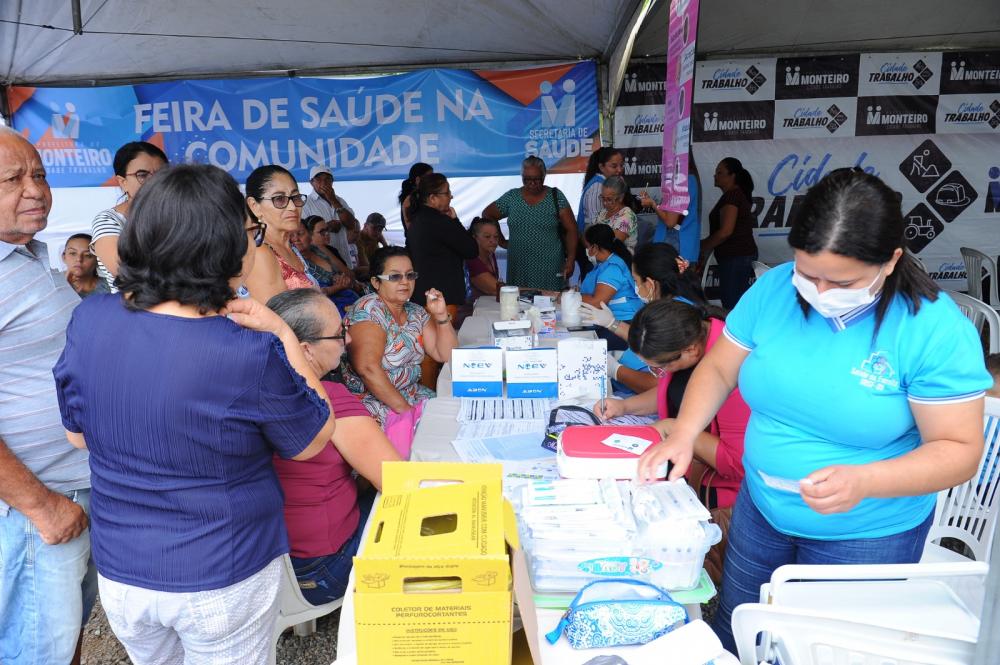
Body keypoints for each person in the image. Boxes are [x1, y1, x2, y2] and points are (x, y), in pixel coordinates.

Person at [636, 169, 993, 653]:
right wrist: (683, 433)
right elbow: (719, 369)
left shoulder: (932, 330)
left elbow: (958, 450)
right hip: (761, 511)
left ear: (890, 261)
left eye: (840, 281)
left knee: (827, 651)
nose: (820, 293)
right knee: (743, 636)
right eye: (808, 273)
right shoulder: (776, 289)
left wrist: (865, 481)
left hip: (866, 533)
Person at [53, 164, 338, 664]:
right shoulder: (246, 349)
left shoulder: (90, 318)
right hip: (222, 570)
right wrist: (284, 334)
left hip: (123, 570)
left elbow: (78, 438)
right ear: (226, 244)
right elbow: (313, 438)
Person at [0, 127, 94, 665]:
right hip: (35, 507)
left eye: (39, 174)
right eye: (13, 179)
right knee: (37, 651)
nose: (34, 189)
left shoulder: (36, 258)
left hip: (74, 491)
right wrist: (40, 507)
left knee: (64, 639)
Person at [596, 299, 750, 583]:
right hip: (685, 477)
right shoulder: (689, 344)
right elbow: (674, 392)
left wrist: (675, 430)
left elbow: (736, 463)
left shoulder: (736, 370)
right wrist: (625, 407)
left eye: (657, 368)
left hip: (720, 502)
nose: (658, 375)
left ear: (690, 350)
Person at [267, 288, 401, 604]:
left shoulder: (251, 389)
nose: (349, 340)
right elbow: (397, 482)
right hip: (320, 571)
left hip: (268, 566)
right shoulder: (327, 399)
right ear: (304, 350)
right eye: (339, 334)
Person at [342, 246, 459, 425]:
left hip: (412, 393)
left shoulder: (415, 312)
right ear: (375, 282)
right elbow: (367, 369)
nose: (405, 282)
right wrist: (407, 413)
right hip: (373, 403)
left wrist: (441, 316)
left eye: (410, 275)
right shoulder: (368, 311)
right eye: (395, 276)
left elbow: (446, 355)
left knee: (455, 417)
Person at [588, 243, 703, 396]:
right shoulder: (674, 304)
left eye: (635, 282)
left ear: (649, 284)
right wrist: (612, 323)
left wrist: (615, 370)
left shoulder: (674, 317)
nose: (635, 288)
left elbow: (657, 387)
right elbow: (648, 337)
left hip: (645, 399)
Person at [482, 156, 576, 291]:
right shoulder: (512, 197)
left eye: (536, 179)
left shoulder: (556, 196)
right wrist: (501, 241)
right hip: (519, 266)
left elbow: (571, 229)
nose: (532, 183)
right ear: (522, 176)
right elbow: (488, 214)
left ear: (544, 176)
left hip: (550, 267)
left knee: (551, 303)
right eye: (527, 179)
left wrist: (571, 260)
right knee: (519, 303)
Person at [90, 141, 168, 292]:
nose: (153, 182)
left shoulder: (179, 215)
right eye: (142, 175)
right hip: (133, 310)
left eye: (161, 175)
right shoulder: (109, 220)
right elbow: (126, 272)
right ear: (123, 182)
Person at [244, 164, 318, 302]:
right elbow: (271, 321)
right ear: (254, 206)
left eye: (295, 197)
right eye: (279, 199)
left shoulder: (290, 248)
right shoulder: (260, 253)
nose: (292, 207)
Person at [407, 173, 477, 309]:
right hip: (442, 298)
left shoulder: (416, 221)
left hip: (422, 294)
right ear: (432, 198)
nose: (451, 196)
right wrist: (455, 220)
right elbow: (472, 250)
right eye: (447, 193)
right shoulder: (440, 222)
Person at [702, 157, 758, 310]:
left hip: (736, 256)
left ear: (732, 176)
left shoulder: (733, 196)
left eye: (720, 172)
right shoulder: (733, 195)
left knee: (732, 305)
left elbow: (725, 232)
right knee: (735, 303)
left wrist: (703, 246)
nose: (715, 176)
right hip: (736, 256)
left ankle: (735, 334)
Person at [579, 223, 642, 351]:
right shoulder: (604, 264)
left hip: (623, 323)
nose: (586, 251)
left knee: (586, 347)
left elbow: (597, 303)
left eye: (587, 247)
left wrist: (572, 297)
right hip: (610, 320)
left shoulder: (612, 268)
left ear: (595, 247)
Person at [290, 219, 359, 314]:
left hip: (349, 297)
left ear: (310, 235)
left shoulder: (319, 249)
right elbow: (308, 296)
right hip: (326, 309)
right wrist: (337, 287)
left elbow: (348, 274)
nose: (295, 239)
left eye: (300, 233)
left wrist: (343, 279)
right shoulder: (292, 261)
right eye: (290, 235)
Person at [639, 159, 702, 263]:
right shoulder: (691, 179)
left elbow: (670, 222)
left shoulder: (680, 182)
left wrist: (653, 205)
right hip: (684, 245)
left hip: (674, 246)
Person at [577, 148, 624, 278]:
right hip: (596, 254)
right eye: (614, 166)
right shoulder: (598, 188)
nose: (619, 170)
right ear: (601, 167)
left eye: (621, 165)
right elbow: (594, 229)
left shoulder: (605, 186)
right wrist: (597, 256)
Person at [303, 164, 358, 267]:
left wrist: (333, 200)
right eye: (318, 179)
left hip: (345, 258)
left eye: (327, 179)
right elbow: (304, 233)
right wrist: (327, 227)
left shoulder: (340, 201)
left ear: (332, 182)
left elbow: (352, 225)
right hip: (322, 262)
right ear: (311, 182)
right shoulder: (306, 204)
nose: (324, 183)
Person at [593, 175, 639, 252]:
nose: (604, 203)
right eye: (603, 198)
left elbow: (611, 245)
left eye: (609, 199)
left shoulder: (627, 216)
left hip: (619, 261)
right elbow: (588, 235)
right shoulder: (603, 212)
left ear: (621, 198)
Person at [466, 217, 503, 299]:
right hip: (469, 311)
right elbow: (497, 290)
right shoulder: (471, 259)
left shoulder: (490, 255)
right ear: (474, 238)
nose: (493, 241)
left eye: (496, 236)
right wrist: (534, 292)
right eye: (487, 236)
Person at [63, 233, 108, 298]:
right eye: (73, 253)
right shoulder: (50, 287)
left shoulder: (111, 287)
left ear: (97, 260)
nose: (79, 259)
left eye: (87, 255)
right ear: (64, 257)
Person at [399, 162, 433, 242]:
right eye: (430, 177)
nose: (432, 180)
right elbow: (412, 228)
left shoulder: (418, 197)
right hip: (418, 243)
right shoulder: (411, 200)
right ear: (418, 180)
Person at [356, 212, 388, 277]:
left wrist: (385, 245)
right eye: (374, 228)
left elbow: (389, 254)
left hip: (372, 270)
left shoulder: (376, 236)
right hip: (361, 275)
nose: (377, 232)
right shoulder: (357, 238)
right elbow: (366, 265)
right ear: (365, 226)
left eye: (380, 229)